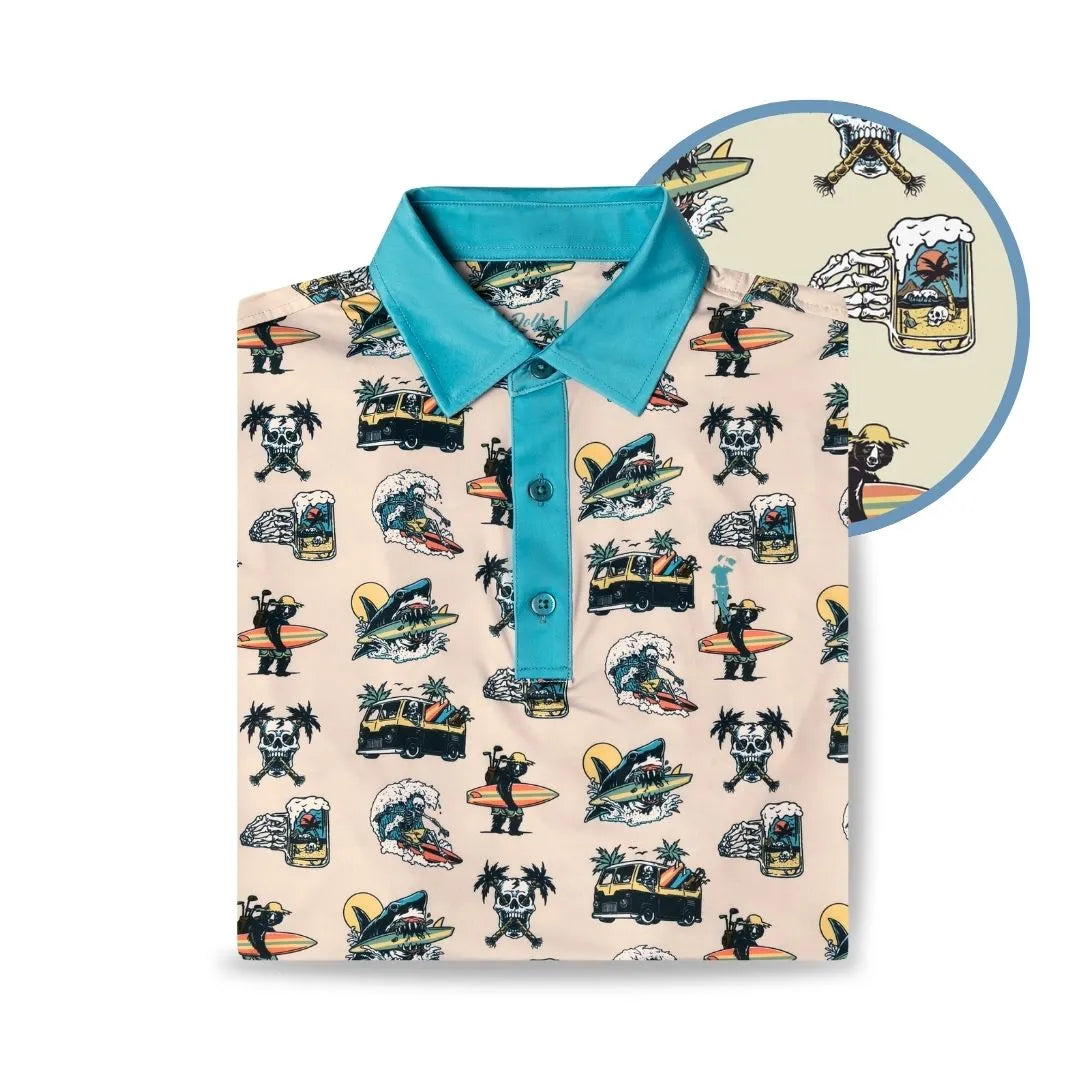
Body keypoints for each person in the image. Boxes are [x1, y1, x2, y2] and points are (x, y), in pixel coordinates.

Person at [484, 747, 532, 835]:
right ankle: (510, 830)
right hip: (503, 799)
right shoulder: (505, 775)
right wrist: (511, 803)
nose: (517, 769)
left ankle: (500, 828)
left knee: (504, 815)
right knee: (513, 816)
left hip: (506, 800)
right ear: (510, 764)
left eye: (520, 766)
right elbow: (502, 789)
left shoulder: (512, 777)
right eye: (515, 765)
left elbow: (515, 789)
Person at [716, 598, 764, 681]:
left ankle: (730, 675)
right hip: (736, 645)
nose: (748, 616)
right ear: (740, 612)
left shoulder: (740, 621)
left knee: (734, 662)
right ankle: (746, 676)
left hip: (736, 646)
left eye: (751, 612)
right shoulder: (736, 622)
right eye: (745, 612)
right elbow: (734, 636)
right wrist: (743, 650)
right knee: (749, 661)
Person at [258, 594, 302, 677]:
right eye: (284, 608)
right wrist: (279, 645)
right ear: (278, 607)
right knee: (282, 657)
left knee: (271, 657)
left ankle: (266, 670)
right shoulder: (274, 618)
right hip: (273, 642)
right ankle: (278, 671)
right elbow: (272, 632)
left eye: (289, 609)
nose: (286, 612)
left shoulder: (279, 618)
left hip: (272, 643)